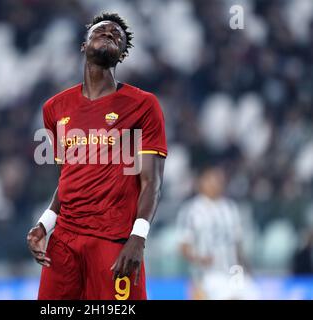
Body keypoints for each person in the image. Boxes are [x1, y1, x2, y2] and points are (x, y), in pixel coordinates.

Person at [26, 12, 167, 300]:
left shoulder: (143, 105)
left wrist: (138, 237)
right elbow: (69, 177)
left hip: (113, 241)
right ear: (84, 44)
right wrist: (45, 224)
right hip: (64, 242)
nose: (110, 34)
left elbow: (151, 181)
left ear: (121, 56)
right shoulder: (54, 108)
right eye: (102, 30)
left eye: (118, 36)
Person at [177, 166, 257, 299]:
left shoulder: (230, 208)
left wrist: (246, 269)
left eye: (218, 179)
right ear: (201, 182)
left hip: (233, 271)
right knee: (226, 296)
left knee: (251, 294)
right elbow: (183, 246)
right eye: (211, 179)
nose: (216, 183)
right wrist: (199, 258)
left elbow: (237, 245)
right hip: (208, 273)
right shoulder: (191, 210)